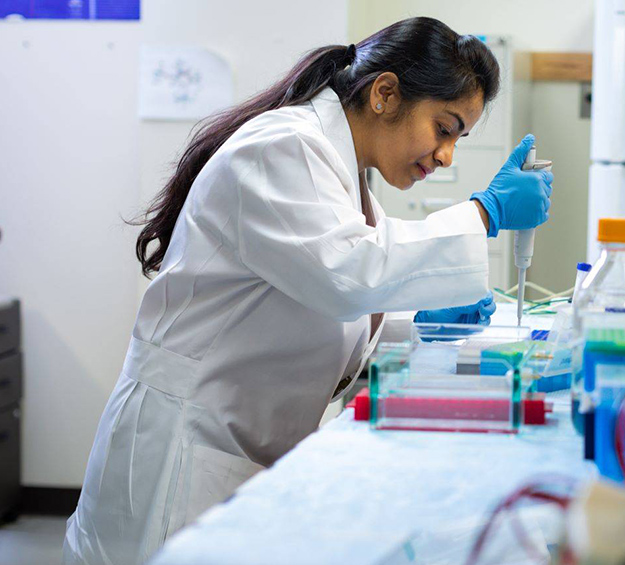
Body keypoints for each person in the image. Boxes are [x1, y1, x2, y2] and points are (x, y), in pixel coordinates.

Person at [62, 17, 553, 565]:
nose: (447, 156)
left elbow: (330, 301)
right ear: (385, 94)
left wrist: (418, 323)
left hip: (232, 440)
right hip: (181, 445)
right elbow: (347, 273)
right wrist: (484, 213)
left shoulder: (342, 173)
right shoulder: (281, 148)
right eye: (444, 128)